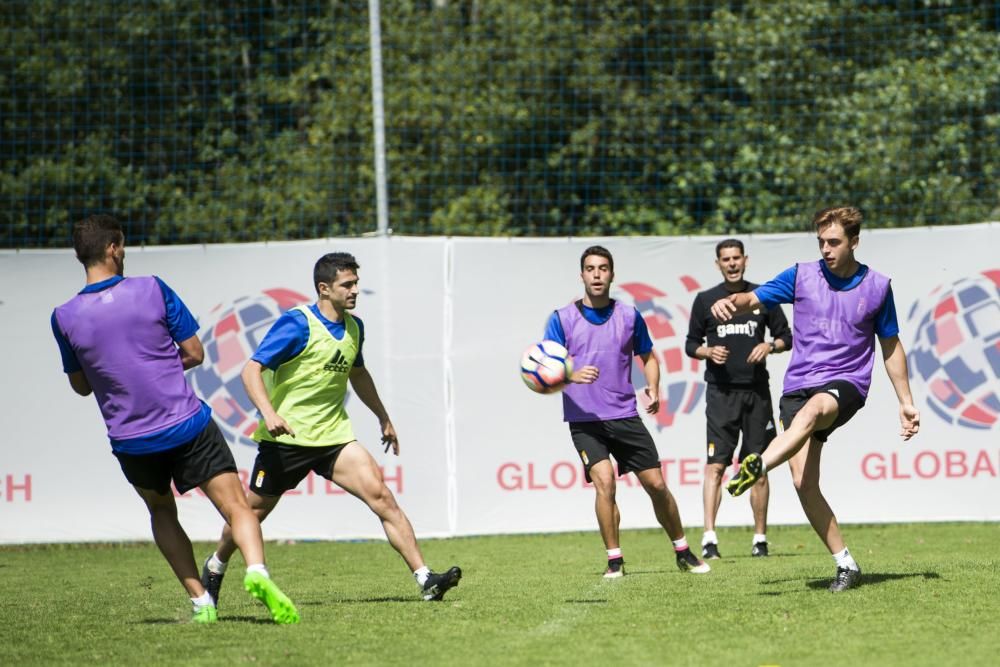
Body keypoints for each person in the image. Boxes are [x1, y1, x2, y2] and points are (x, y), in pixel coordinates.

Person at [51, 214, 299, 624]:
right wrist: (158, 367)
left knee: (162, 513)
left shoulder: (63, 317)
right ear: (113, 247)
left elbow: (81, 386)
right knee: (237, 507)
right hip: (186, 423)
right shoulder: (152, 288)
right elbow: (196, 353)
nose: (124, 252)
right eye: (122, 245)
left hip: (131, 439)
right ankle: (257, 571)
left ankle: (201, 601)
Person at [200, 252, 461, 603]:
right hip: (287, 440)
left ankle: (426, 578)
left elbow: (358, 373)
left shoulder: (355, 327)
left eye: (356, 283)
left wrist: (383, 417)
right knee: (251, 514)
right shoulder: (297, 324)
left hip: (334, 437)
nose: (354, 290)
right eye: (347, 284)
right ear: (324, 288)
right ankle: (215, 567)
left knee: (382, 496)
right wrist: (270, 413)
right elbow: (250, 370)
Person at [711, 207, 920, 592]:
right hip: (798, 385)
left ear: (854, 241)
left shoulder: (876, 286)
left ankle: (758, 465)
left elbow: (889, 345)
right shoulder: (801, 275)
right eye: (821, 242)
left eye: (834, 242)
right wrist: (730, 304)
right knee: (804, 482)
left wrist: (905, 400)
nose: (826, 249)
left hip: (846, 384)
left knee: (813, 411)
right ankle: (846, 564)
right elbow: (753, 298)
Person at [543, 245, 710, 578]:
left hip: (624, 415)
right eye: (590, 269)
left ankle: (682, 550)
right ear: (582, 275)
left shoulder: (629, 315)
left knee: (657, 485)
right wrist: (571, 374)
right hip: (584, 420)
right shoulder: (561, 318)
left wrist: (653, 387)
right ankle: (614, 560)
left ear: (612, 274)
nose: (597, 274)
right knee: (604, 483)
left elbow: (648, 357)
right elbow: (546, 369)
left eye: (603, 268)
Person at [686, 239, 791, 560]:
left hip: (756, 392)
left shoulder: (763, 297)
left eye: (736, 258)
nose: (732, 264)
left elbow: (787, 337)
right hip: (721, 393)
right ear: (717, 264)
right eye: (725, 259)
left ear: (745, 260)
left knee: (757, 466)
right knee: (716, 465)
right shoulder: (705, 300)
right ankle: (709, 538)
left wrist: (770, 346)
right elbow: (691, 344)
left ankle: (760, 539)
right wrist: (707, 351)